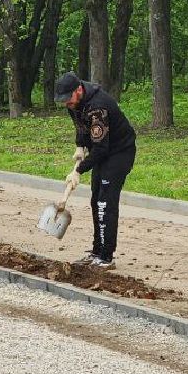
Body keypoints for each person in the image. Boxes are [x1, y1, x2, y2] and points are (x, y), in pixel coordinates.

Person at [54, 71, 136, 268]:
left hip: (119, 152)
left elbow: (101, 148)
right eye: (64, 101)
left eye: (69, 99)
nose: (67, 104)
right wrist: (79, 146)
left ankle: (106, 257)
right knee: (96, 200)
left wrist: (78, 170)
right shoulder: (74, 103)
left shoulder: (98, 106)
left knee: (104, 204)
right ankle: (96, 251)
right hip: (103, 152)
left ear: (79, 90)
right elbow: (81, 126)